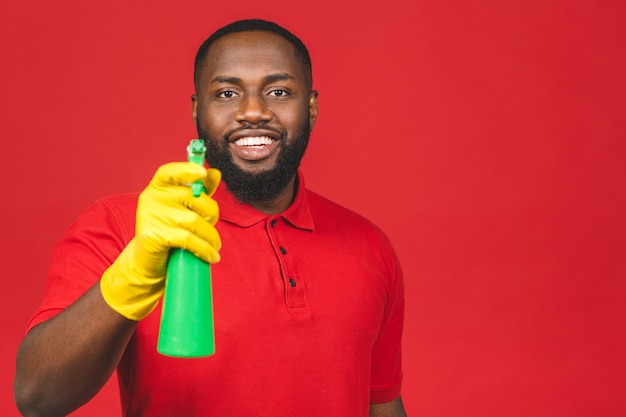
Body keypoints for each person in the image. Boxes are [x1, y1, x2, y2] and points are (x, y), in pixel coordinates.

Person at [14, 18, 407, 417]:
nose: (253, 111)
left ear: (312, 107)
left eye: (278, 91)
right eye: (227, 93)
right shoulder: (121, 225)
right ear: (197, 108)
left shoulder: (369, 246)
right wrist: (132, 274)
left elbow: (382, 403)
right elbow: (37, 397)